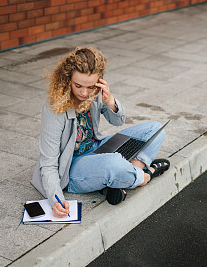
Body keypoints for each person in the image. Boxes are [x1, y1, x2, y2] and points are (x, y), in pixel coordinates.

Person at [31, 47, 170, 217]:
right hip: (72, 168)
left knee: (154, 129)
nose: (84, 93)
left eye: (90, 87)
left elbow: (118, 121)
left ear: (99, 81)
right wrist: (56, 200)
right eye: (78, 85)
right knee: (113, 163)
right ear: (67, 80)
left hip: (97, 149)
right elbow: (49, 163)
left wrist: (110, 101)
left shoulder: (95, 94)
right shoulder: (54, 110)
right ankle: (144, 176)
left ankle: (123, 178)